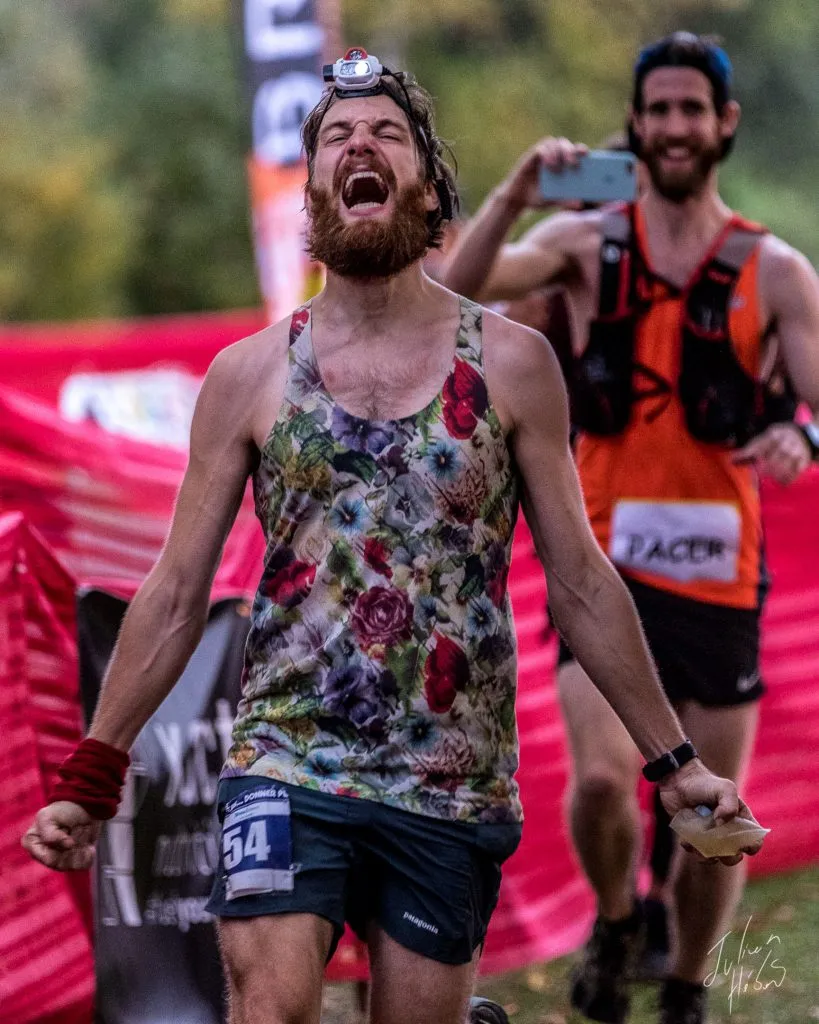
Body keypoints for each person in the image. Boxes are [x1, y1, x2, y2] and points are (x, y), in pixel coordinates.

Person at [24, 49, 764, 1024]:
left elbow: (581, 581)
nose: (357, 146)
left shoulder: (512, 363)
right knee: (270, 1007)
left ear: (427, 185)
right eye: (335, 136)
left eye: (385, 133)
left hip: (448, 774)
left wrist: (676, 768)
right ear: (317, 189)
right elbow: (171, 593)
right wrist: (96, 767)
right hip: (284, 756)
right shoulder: (247, 376)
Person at [441, 30, 819, 1024]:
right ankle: (616, 920)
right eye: (659, 110)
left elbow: (817, 404)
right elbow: (458, 291)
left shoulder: (774, 270)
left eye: (694, 108)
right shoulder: (584, 244)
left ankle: (687, 984)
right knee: (608, 784)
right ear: (636, 124)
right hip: (601, 568)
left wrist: (801, 434)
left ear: (724, 123)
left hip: (722, 579)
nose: (676, 127)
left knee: (713, 818)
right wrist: (519, 188)